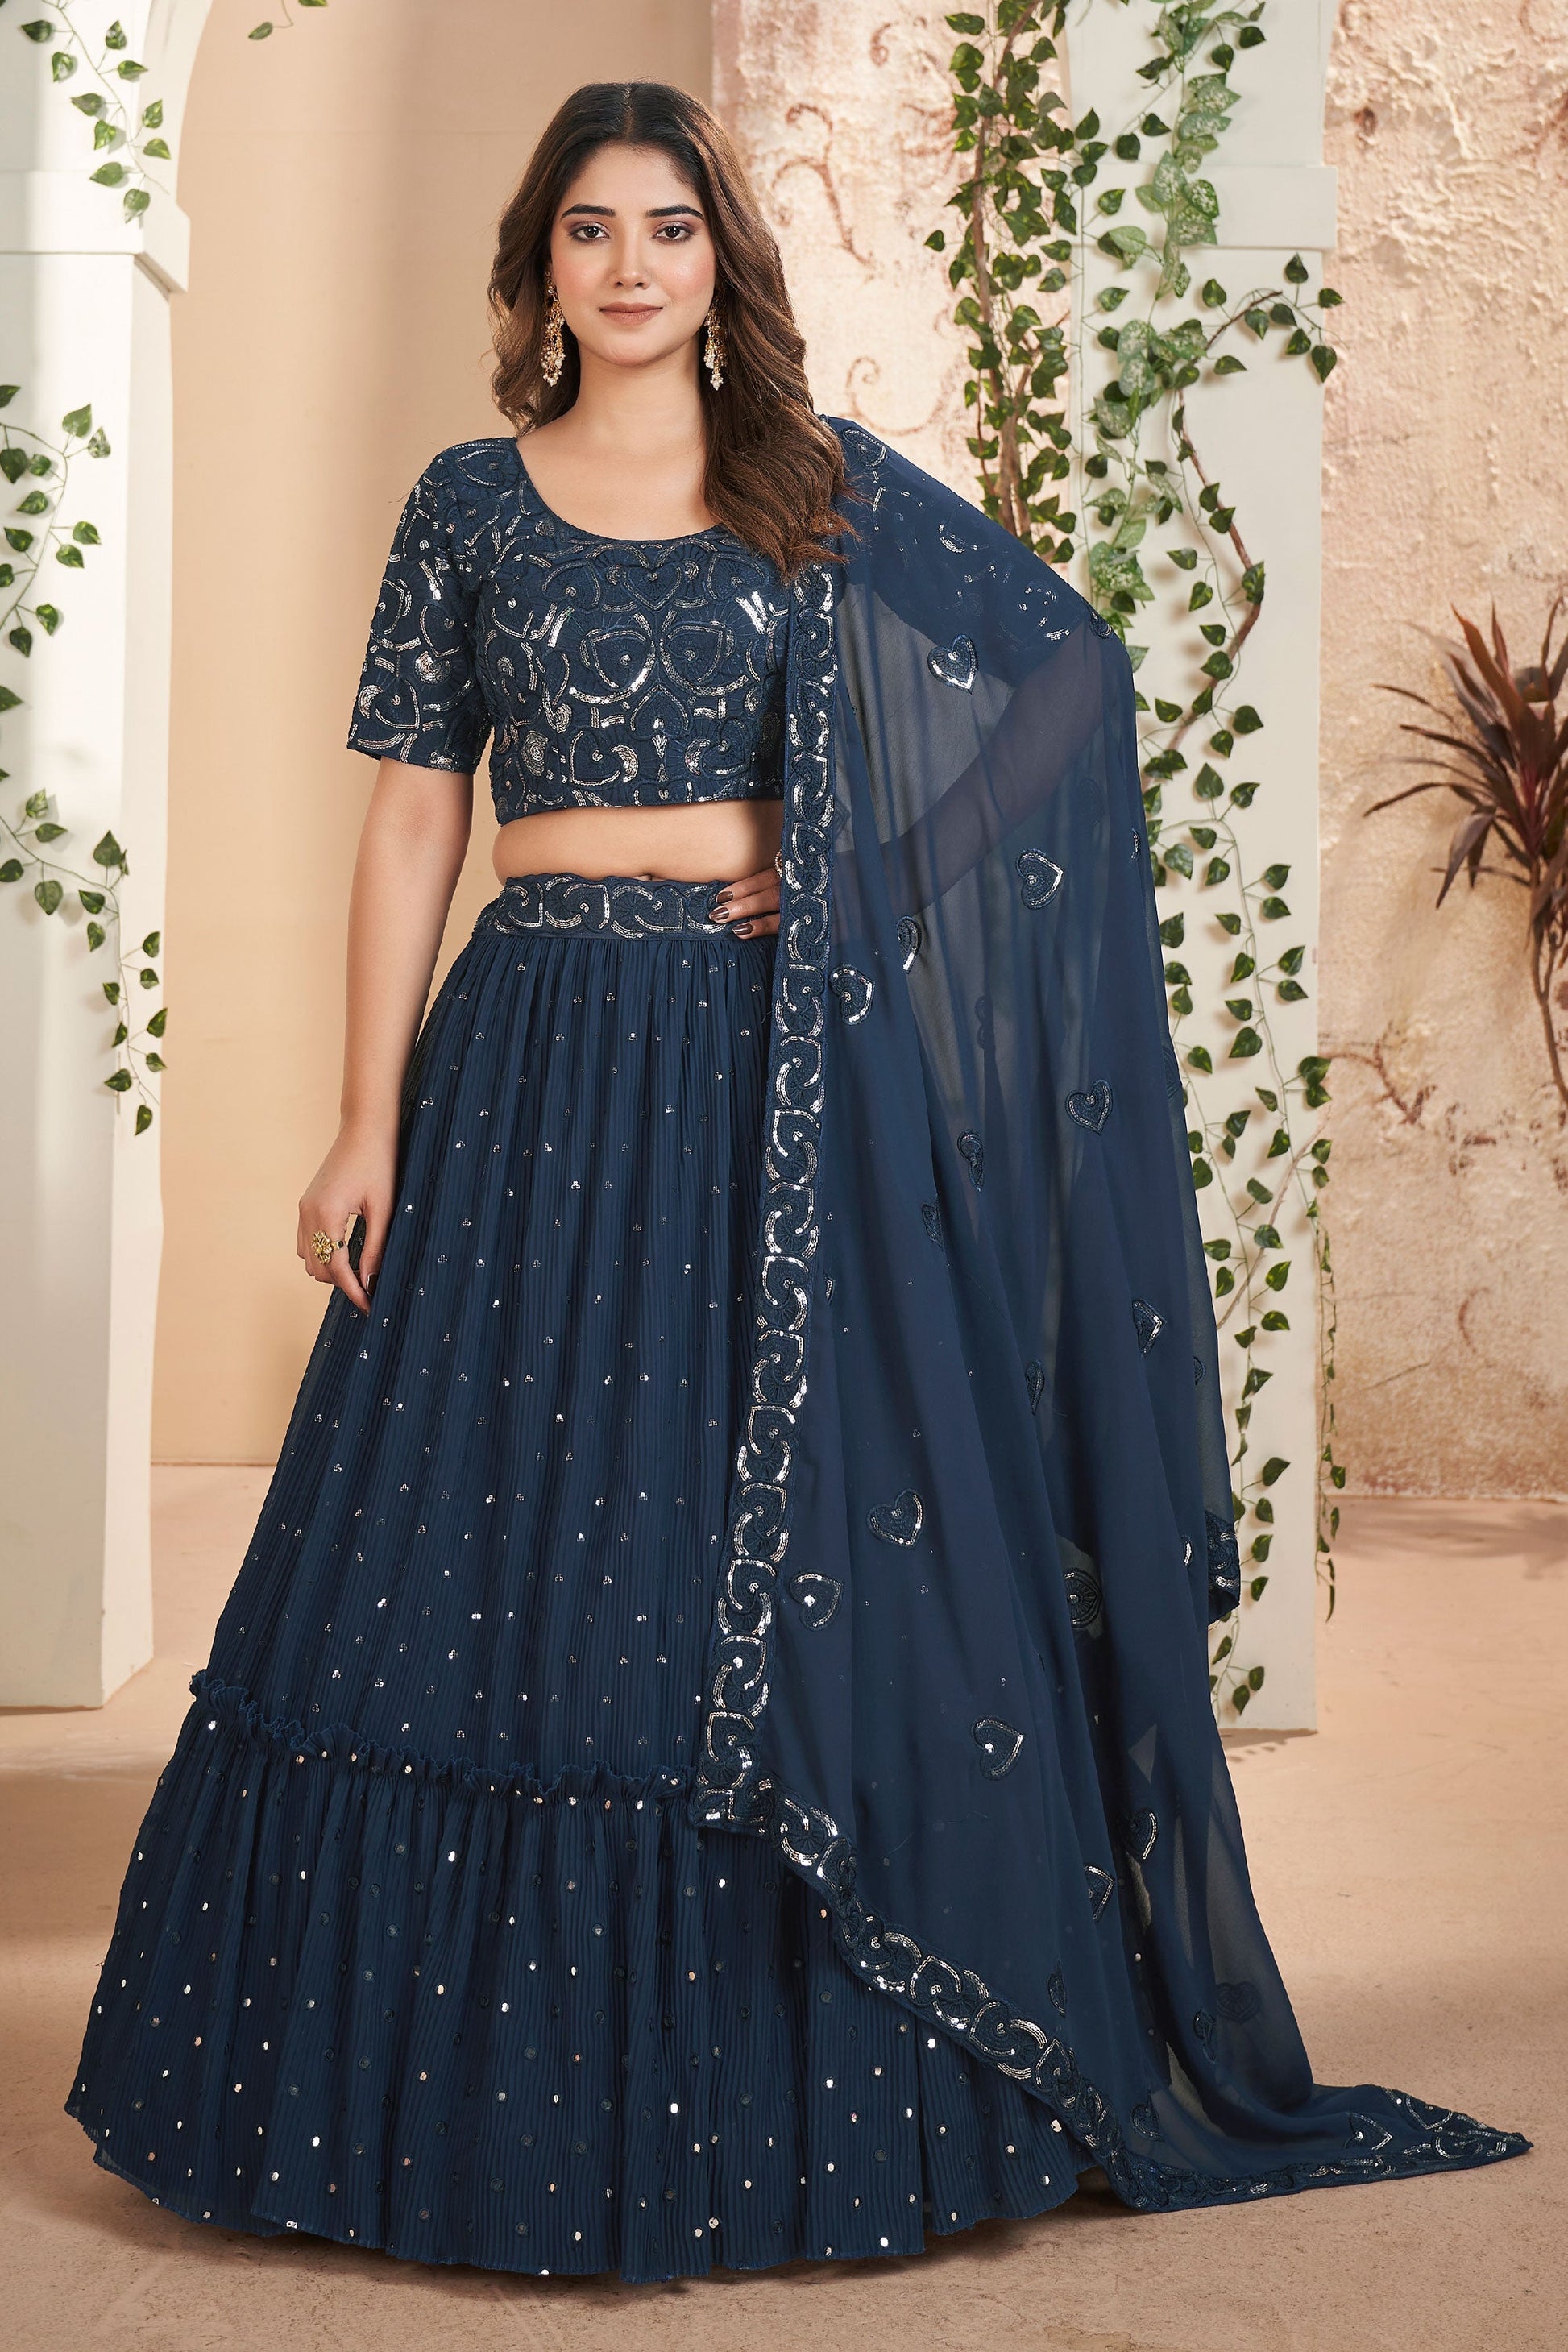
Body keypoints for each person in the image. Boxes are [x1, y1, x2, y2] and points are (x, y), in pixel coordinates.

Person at [65, 81, 1528, 2284]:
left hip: (758, 1073)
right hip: (527, 1050)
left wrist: (864, 873)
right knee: (485, 1545)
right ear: (539, 266)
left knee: (741, 1533)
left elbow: (1065, 675)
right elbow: (412, 811)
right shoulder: (467, 500)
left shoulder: (807, 490)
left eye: (667, 226)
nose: (629, 265)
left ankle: (804, 2076)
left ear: (715, 259)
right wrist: (364, 1118)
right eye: (589, 229)